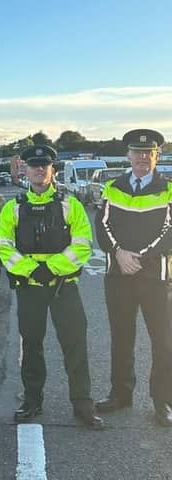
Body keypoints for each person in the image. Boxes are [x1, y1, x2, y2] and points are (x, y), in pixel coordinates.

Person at [0, 145, 104, 429]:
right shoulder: (13, 207)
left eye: (45, 165)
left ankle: (83, 404)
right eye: (34, 165)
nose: (40, 169)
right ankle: (32, 401)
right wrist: (34, 270)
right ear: (26, 170)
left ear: (52, 169)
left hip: (63, 286)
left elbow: (82, 245)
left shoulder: (71, 204)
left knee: (75, 345)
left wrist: (51, 269)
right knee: (31, 347)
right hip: (30, 288)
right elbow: (4, 247)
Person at [94, 129, 172, 427]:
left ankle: (163, 401)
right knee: (121, 338)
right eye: (137, 153)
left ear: (157, 156)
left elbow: (170, 230)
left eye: (148, 153)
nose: (142, 157)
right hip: (119, 274)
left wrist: (141, 255)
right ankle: (120, 395)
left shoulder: (169, 188)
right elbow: (102, 225)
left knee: (163, 341)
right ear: (128, 155)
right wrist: (118, 253)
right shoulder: (113, 187)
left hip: (155, 275)